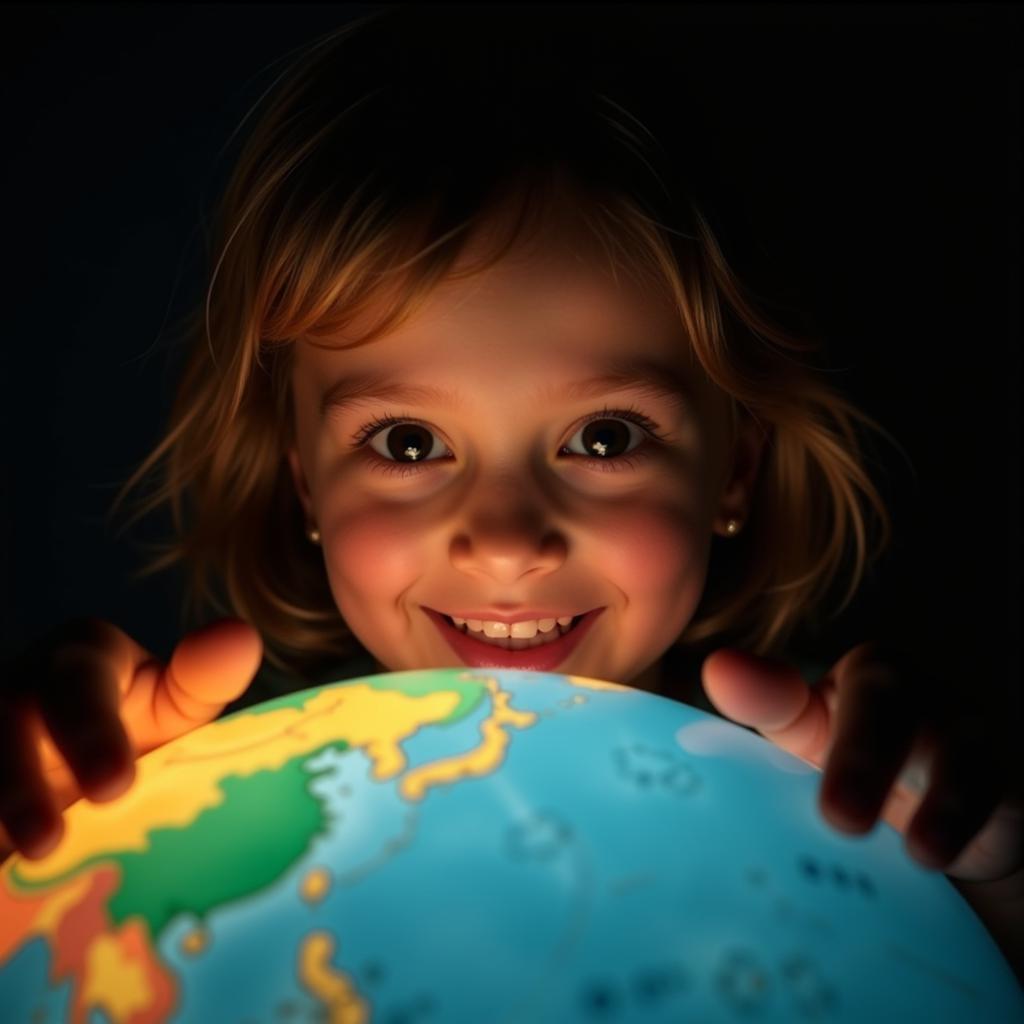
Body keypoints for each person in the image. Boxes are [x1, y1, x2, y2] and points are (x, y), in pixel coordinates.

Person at [1, 4, 1019, 978]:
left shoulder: (855, 795)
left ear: (734, 468)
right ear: (302, 476)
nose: (502, 540)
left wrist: (999, 890)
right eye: (406, 442)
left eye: (602, 436)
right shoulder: (204, 818)